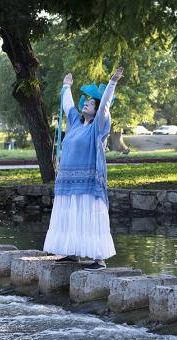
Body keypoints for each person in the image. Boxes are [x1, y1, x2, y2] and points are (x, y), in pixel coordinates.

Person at [43, 67, 123, 270]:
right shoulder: (75, 123)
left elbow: (105, 105)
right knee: (71, 213)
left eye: (89, 103)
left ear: (96, 110)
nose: (85, 104)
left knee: (90, 214)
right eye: (85, 103)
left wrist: (112, 83)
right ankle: (71, 253)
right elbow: (67, 104)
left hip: (87, 182)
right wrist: (66, 86)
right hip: (68, 181)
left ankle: (99, 259)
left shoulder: (98, 127)